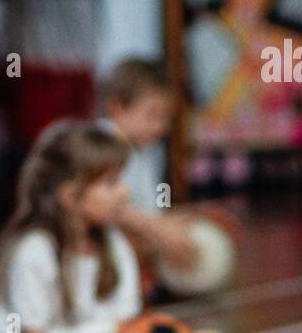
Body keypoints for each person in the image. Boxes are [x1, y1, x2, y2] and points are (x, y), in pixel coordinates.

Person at [0, 119, 227, 333]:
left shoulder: (113, 241)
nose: (125, 194)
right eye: (111, 183)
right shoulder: (34, 251)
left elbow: (126, 324)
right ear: (70, 196)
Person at [101, 57, 241, 297]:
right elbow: (111, 209)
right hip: (105, 241)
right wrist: (160, 232)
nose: (162, 127)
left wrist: (191, 215)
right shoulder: (103, 145)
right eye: (153, 115)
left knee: (208, 221)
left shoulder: (141, 153)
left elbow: (147, 211)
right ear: (118, 108)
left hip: (136, 234)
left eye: (166, 117)